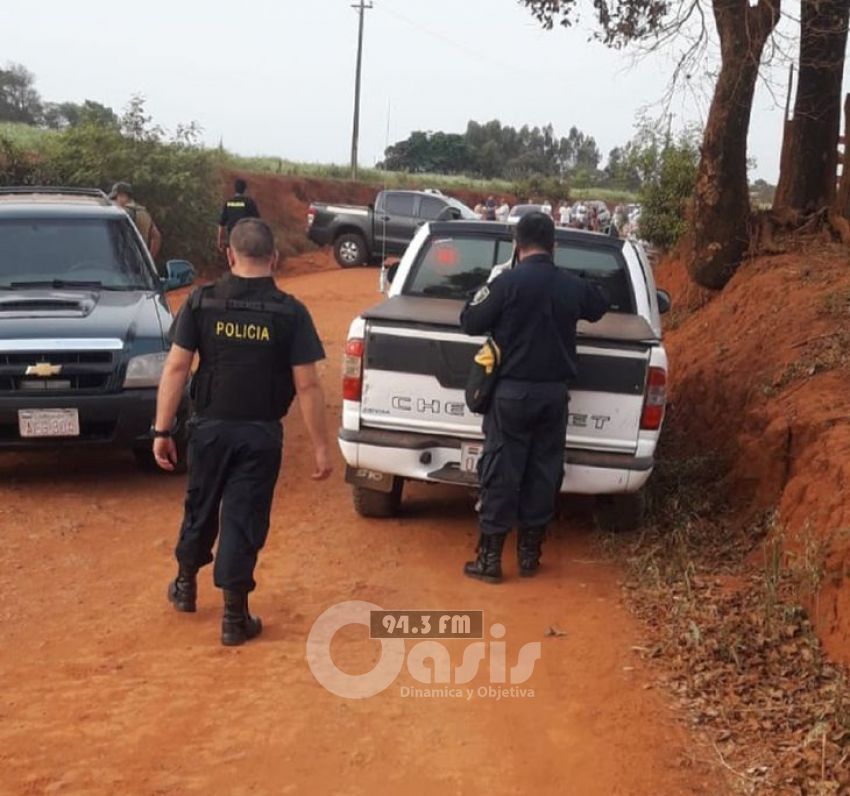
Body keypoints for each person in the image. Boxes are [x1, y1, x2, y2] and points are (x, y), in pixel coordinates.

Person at [153, 218, 333, 645]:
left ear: (230, 255)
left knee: (201, 504)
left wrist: (161, 429)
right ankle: (234, 618)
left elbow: (177, 367)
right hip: (260, 435)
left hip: (209, 429)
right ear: (273, 258)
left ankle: (185, 585)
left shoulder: (201, 301)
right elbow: (307, 384)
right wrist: (322, 449)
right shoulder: (291, 312)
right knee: (242, 516)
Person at [459, 212, 609, 584]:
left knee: (500, 472)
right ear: (553, 245)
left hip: (510, 395)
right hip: (553, 397)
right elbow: (599, 303)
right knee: (544, 471)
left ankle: (490, 561)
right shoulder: (570, 285)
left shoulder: (506, 283)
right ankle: (530, 556)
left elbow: (470, 321)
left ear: (516, 245)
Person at [109, 182, 162, 259]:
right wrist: (149, 259)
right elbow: (157, 237)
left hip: (125, 261)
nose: (114, 202)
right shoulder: (143, 212)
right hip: (140, 261)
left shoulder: (123, 213)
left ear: (122, 196)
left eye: (115, 198)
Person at [217, 178, 261, 251]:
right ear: (245, 190)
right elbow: (257, 222)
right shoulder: (249, 202)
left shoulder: (229, 203)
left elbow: (221, 224)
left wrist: (219, 240)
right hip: (246, 236)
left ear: (235, 189)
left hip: (233, 236)